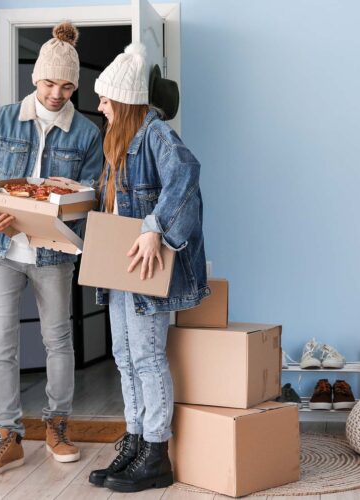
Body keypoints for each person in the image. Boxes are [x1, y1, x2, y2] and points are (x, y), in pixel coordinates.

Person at [0, 22, 103, 478]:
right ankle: (7, 436)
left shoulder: (86, 133)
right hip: (2, 247)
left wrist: (72, 201)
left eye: (66, 85)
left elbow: (96, 196)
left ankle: (57, 426)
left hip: (54, 253)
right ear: (35, 79)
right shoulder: (2, 120)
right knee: (1, 341)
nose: (56, 93)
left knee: (57, 340)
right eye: (49, 83)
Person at [88, 43, 210, 493]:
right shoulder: (119, 144)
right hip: (121, 269)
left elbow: (185, 178)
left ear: (123, 100)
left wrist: (154, 226)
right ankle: (136, 441)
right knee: (124, 357)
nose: (99, 105)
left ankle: (156, 453)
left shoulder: (156, 135)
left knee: (147, 358)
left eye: (105, 99)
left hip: (147, 270)